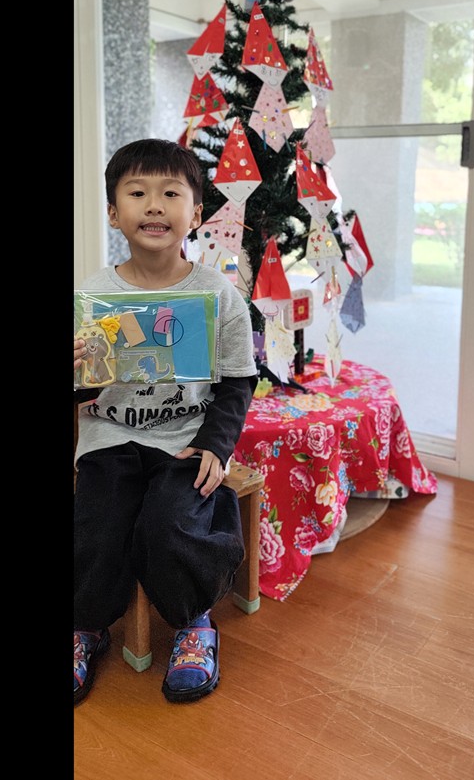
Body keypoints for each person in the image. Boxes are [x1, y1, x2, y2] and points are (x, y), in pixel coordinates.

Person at [73, 138, 257, 706]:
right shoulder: (92, 295)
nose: (154, 205)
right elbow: (83, 389)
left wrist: (215, 446)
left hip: (185, 440)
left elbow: (237, 382)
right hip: (110, 436)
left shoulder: (218, 293)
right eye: (137, 193)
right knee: (97, 521)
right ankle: (86, 625)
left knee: (174, 522)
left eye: (170, 194)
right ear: (114, 213)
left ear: (195, 214)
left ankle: (194, 621)